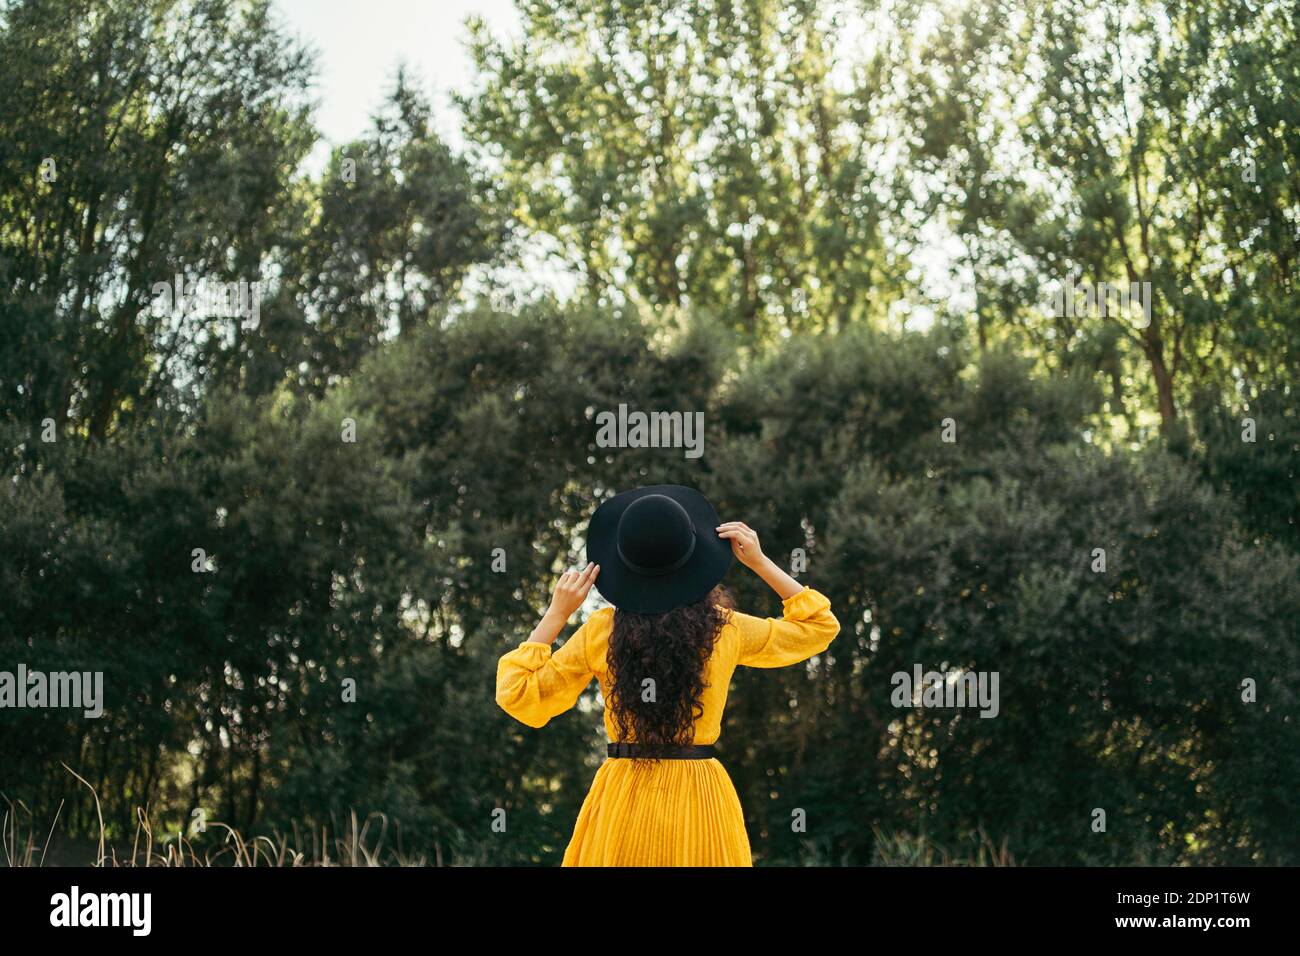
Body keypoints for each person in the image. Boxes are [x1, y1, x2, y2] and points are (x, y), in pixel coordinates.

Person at [495, 484, 840, 866]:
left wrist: (556, 614)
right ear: (694, 561)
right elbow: (819, 626)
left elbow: (518, 692)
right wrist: (760, 562)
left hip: (623, 799)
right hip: (701, 798)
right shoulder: (724, 629)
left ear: (625, 565)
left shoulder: (601, 631)